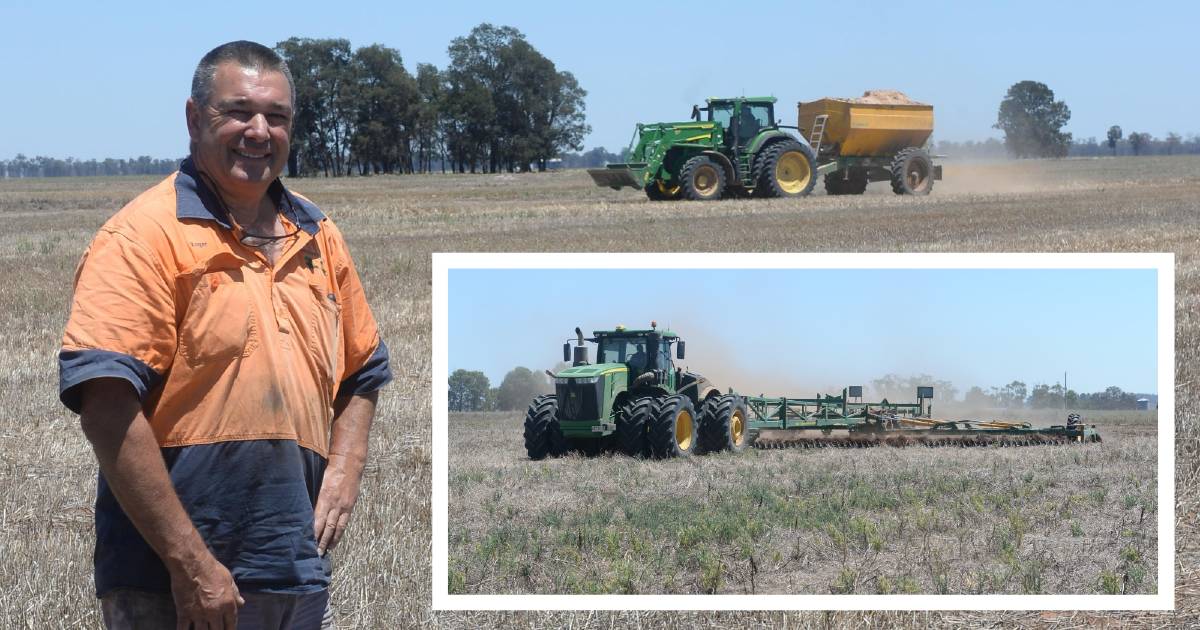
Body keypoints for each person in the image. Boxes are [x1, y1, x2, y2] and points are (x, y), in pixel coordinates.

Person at [58, 41, 392, 630]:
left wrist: (345, 469)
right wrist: (192, 566)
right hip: (171, 583)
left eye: (277, 116)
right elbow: (106, 406)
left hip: (293, 569)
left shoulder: (317, 235)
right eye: (238, 112)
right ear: (194, 118)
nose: (258, 131)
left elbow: (362, 372)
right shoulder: (142, 237)